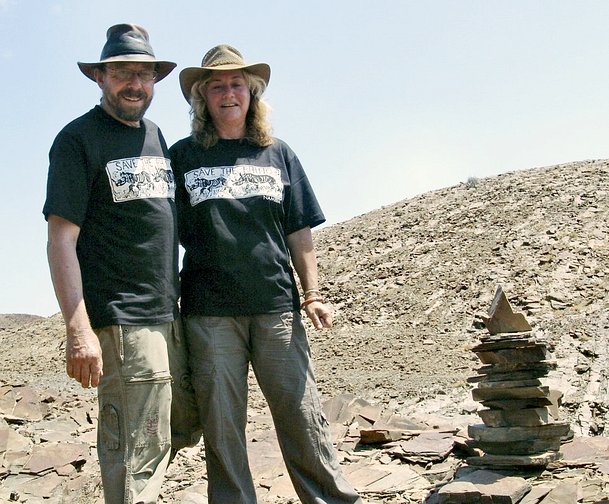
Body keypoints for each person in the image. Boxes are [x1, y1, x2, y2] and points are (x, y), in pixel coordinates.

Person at [169, 44, 363, 504]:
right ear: (202, 99)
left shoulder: (278, 154)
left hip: (276, 306)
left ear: (252, 94)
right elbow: (163, 230)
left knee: (301, 413)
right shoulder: (182, 156)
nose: (228, 93)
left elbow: (299, 229)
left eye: (237, 84)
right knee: (222, 423)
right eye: (216, 85)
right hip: (209, 313)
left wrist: (312, 294)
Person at [43, 24, 199, 504]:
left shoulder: (155, 135)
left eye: (145, 74)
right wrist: (78, 329)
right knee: (136, 449)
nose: (135, 84)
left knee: (180, 427)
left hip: (168, 315)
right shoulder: (77, 140)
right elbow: (60, 241)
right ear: (100, 77)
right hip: (123, 318)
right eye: (122, 74)